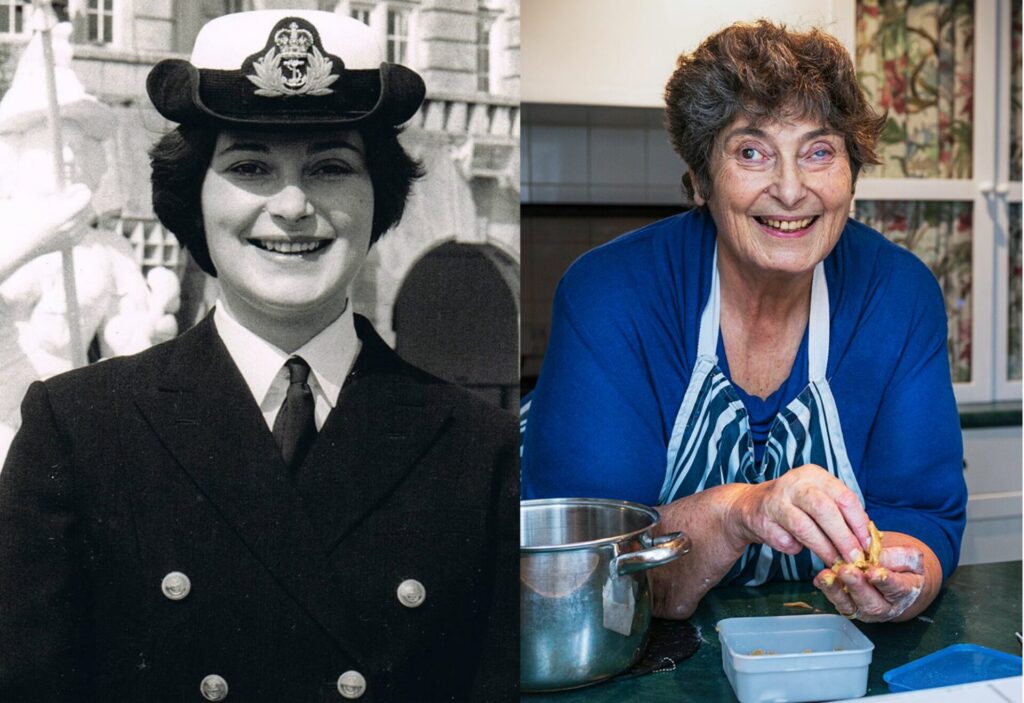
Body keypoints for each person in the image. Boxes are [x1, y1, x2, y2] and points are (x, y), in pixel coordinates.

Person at [0, 10, 517, 702]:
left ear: (378, 198)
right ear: (194, 197)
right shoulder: (76, 429)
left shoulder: (479, 448)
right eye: (250, 166)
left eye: (331, 167)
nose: (294, 205)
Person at [522, 20, 966, 625]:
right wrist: (742, 511)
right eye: (752, 152)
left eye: (819, 151)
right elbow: (585, 573)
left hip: (828, 649)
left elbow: (923, 517)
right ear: (702, 180)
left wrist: (899, 578)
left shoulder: (899, 295)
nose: (790, 189)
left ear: (852, 174)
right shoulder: (612, 295)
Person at [0, 21, 179, 463]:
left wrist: (148, 332)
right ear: (15, 153)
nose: (69, 155)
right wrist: (39, 241)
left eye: (81, 145)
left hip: (70, 429)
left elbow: (127, 343)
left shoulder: (108, 249)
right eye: (52, 141)